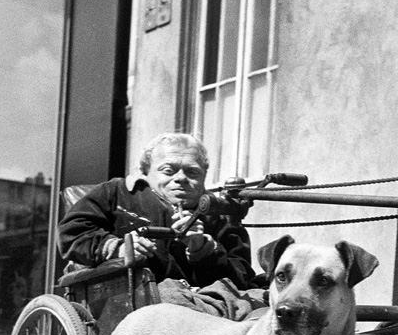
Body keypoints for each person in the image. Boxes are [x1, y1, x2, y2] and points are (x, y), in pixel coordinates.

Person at [58, 132, 264, 319]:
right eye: (168, 170)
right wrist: (117, 248)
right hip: (132, 306)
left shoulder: (218, 213)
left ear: (204, 176)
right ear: (146, 171)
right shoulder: (117, 193)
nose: (181, 178)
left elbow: (241, 278)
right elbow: (71, 232)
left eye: (192, 172)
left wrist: (205, 251)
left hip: (206, 310)